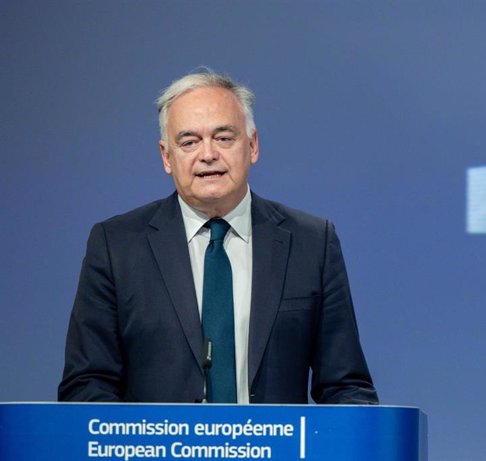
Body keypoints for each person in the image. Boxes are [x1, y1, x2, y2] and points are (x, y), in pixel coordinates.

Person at [58, 70, 378, 405]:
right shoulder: (116, 246)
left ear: (252, 145)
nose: (208, 154)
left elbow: (346, 388)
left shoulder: (312, 243)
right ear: (167, 157)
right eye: (189, 142)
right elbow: (86, 386)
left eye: (224, 138)